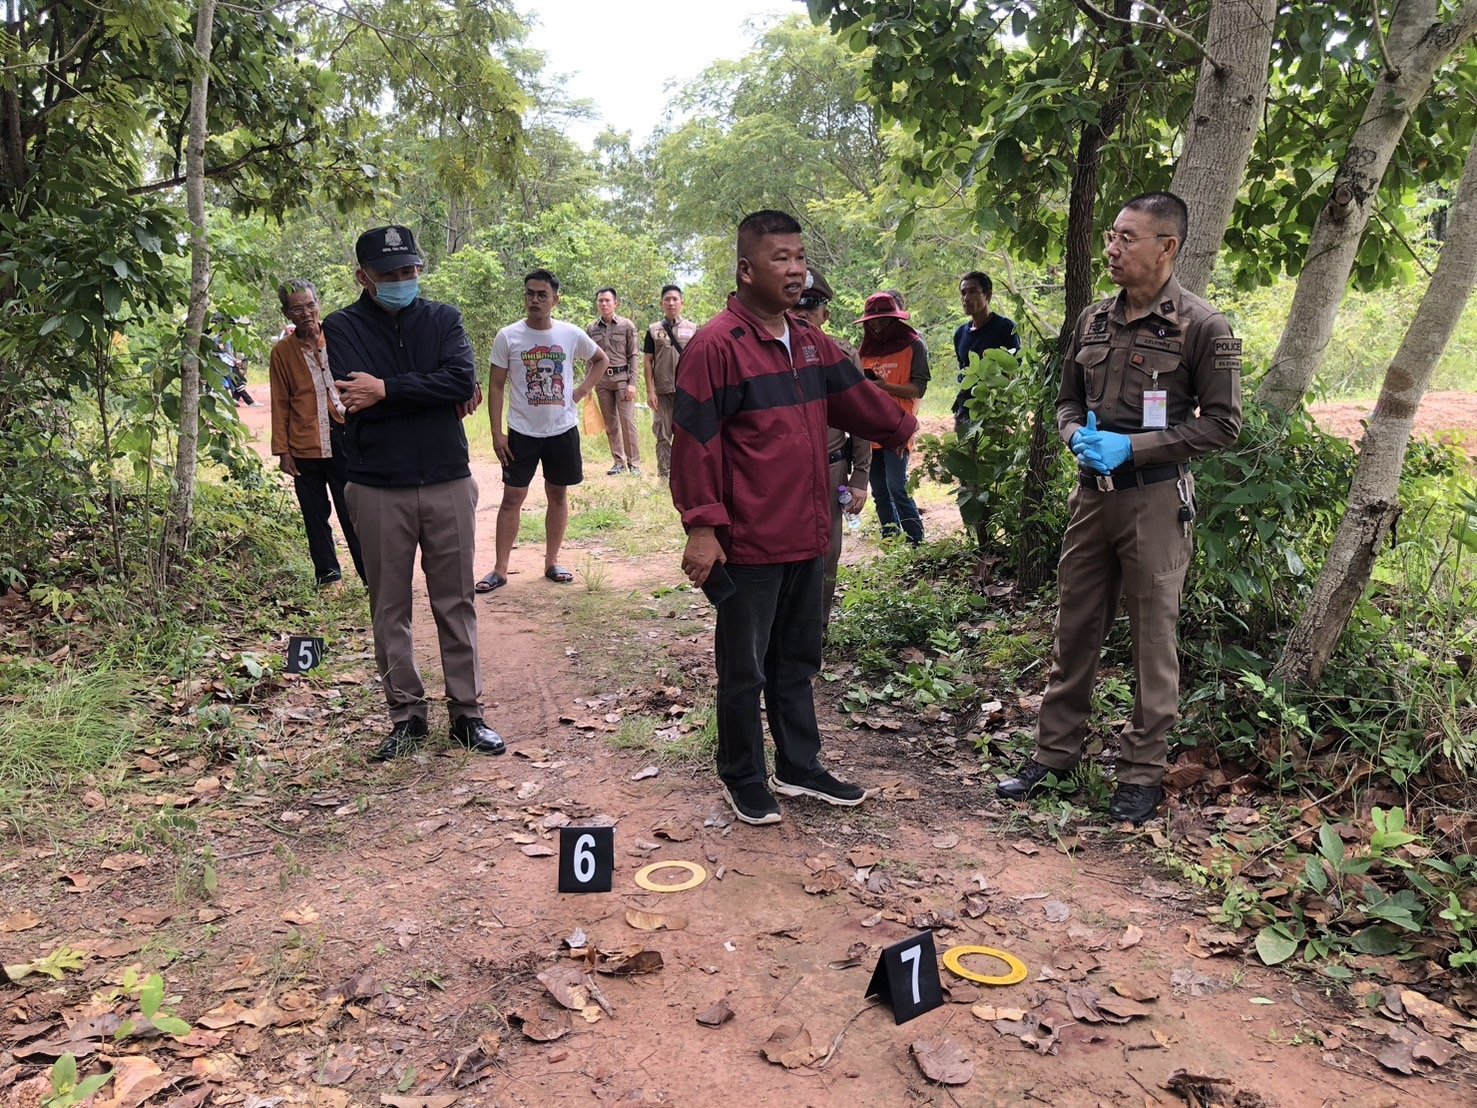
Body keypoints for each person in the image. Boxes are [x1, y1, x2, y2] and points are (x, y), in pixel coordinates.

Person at [995, 191, 1242, 825]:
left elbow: (1222, 426)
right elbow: (1066, 402)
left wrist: (1133, 447)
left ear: (1168, 246)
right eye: (1110, 235)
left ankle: (1140, 773)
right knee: (1074, 627)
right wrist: (1076, 435)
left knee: (1152, 639)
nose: (1112, 247)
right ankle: (1055, 757)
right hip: (1091, 500)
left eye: (1127, 238)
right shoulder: (1092, 320)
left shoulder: (1204, 326)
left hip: (1155, 503)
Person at [671, 210, 916, 826]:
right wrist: (703, 526)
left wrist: (906, 429)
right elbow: (695, 442)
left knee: (798, 656)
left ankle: (798, 765)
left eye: (800, 256)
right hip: (749, 540)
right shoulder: (716, 347)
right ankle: (744, 775)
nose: (796, 268)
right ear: (746, 269)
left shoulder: (809, 342)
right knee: (744, 665)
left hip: (809, 529)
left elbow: (859, 399)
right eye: (781, 257)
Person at [324, 224, 506, 762]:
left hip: (448, 479)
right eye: (390, 274)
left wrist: (388, 389)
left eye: (410, 270)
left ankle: (467, 714)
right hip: (378, 487)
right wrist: (421, 391)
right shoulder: (342, 326)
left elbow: (461, 381)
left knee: (457, 601)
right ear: (364, 277)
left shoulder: (444, 318)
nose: (404, 280)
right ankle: (406, 717)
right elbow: (352, 393)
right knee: (390, 606)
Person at [477, 269, 608, 593]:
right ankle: (500, 569)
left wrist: (579, 392)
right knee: (512, 497)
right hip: (521, 430)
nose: (534, 300)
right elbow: (495, 386)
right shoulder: (508, 336)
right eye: (530, 294)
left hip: (561, 429)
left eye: (542, 295)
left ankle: (551, 561)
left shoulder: (570, 334)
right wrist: (497, 434)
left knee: (558, 494)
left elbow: (600, 360)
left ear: (555, 300)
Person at [269, 278, 365, 588]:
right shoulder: (282, 353)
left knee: (354, 512)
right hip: (304, 444)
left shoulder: (339, 338)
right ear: (287, 314)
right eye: (297, 309)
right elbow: (280, 402)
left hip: (344, 437)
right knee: (315, 515)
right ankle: (328, 576)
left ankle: (369, 576)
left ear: (318, 304)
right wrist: (283, 450)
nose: (307, 314)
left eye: (310, 305)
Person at [792, 267, 870, 623]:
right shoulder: (763, 351)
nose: (804, 315)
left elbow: (861, 417)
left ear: (826, 314)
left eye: (813, 307)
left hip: (831, 466)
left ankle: (816, 631)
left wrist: (859, 478)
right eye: (798, 307)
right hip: (779, 472)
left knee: (826, 554)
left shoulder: (841, 354)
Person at [856, 292, 929, 545]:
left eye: (883, 322)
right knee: (879, 489)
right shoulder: (864, 349)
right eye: (872, 323)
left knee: (897, 486)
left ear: (895, 321)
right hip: (871, 429)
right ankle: (890, 540)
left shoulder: (913, 345)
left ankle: (916, 541)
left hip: (899, 427)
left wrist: (883, 387)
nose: (876, 328)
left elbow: (918, 389)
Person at [952, 270, 1021, 432]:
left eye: (973, 291)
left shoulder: (1005, 328)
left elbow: (1014, 369)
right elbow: (963, 371)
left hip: (994, 411)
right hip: (965, 410)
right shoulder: (960, 333)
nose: (966, 298)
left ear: (988, 295)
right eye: (963, 293)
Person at [642, 284, 698, 481]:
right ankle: (665, 476)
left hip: (687, 392)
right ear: (661, 304)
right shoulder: (653, 330)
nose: (671, 303)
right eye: (667, 299)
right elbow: (648, 361)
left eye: (675, 299)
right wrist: (650, 392)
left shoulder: (693, 330)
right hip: (662, 392)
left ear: (682, 303)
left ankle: (686, 476)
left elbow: (699, 361)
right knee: (663, 434)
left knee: (688, 435)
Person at [587, 287, 641, 475]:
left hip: (623, 380)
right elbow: (589, 357)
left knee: (627, 421)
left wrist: (633, 382)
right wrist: (588, 384)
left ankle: (634, 464)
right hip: (602, 381)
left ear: (615, 303)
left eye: (607, 301)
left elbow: (633, 355)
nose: (604, 304)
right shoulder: (592, 328)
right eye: (600, 301)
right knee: (610, 423)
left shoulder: (627, 326)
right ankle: (619, 462)